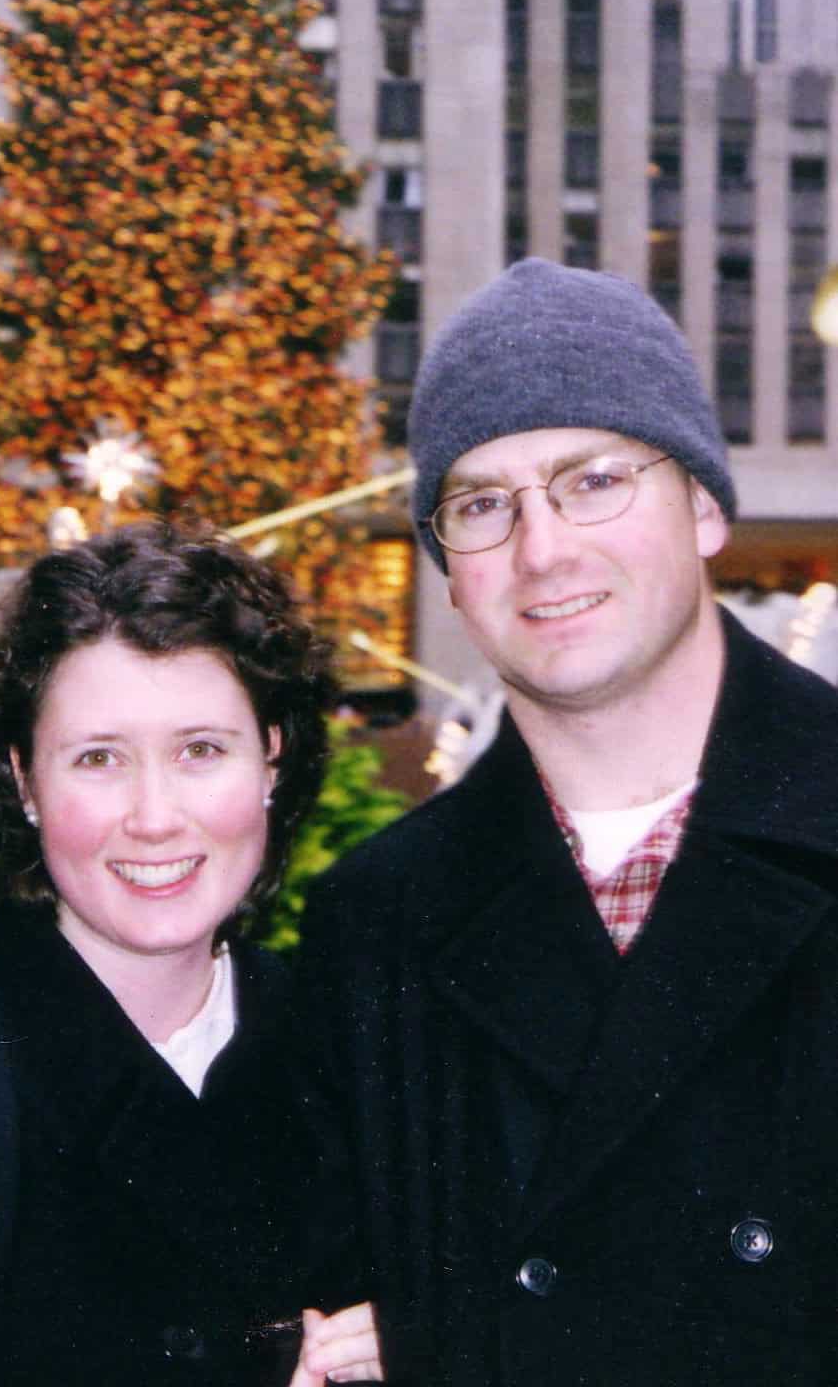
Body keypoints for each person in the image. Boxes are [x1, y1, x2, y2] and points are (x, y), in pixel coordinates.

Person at [296, 258, 838, 1387]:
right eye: (483, 504)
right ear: (450, 571)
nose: (542, 549)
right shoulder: (376, 921)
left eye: (593, 479)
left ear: (702, 504)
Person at [0, 521, 382, 1387]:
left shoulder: (351, 1056)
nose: (154, 815)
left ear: (271, 758)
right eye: (98, 758)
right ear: (23, 781)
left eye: (201, 750)